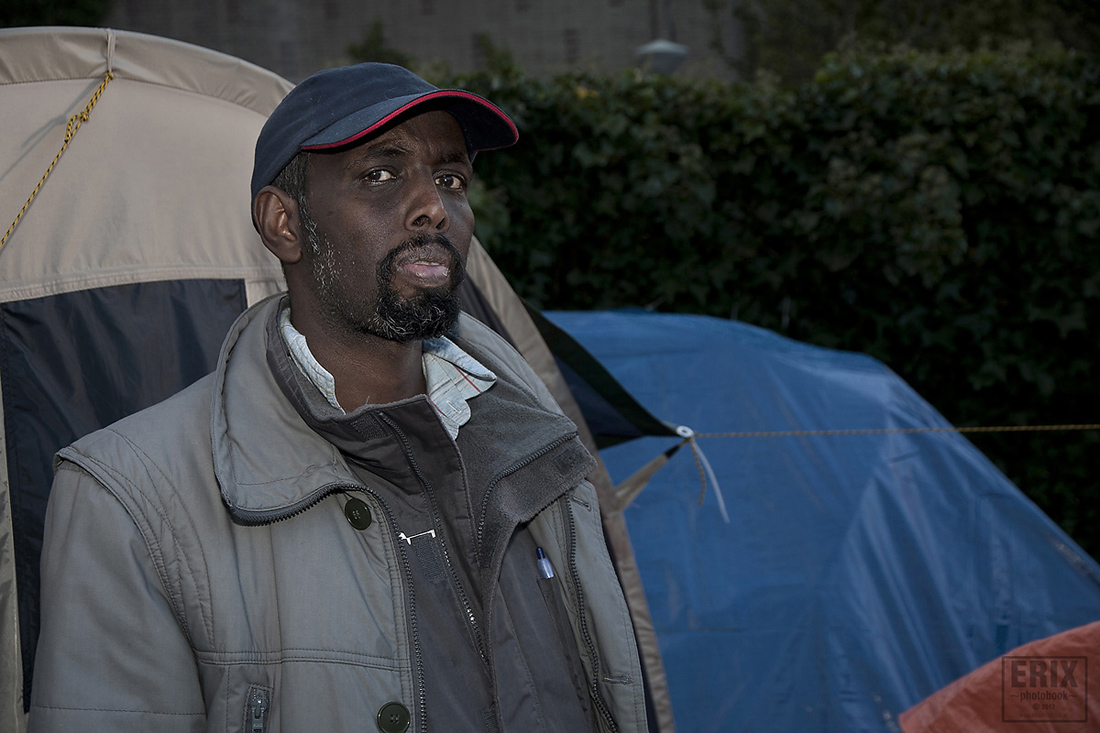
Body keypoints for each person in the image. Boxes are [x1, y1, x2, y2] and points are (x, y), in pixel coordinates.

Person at [28, 63, 648, 733]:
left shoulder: (540, 449)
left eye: (451, 179)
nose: (434, 207)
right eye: (381, 174)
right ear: (284, 223)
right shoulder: (130, 498)